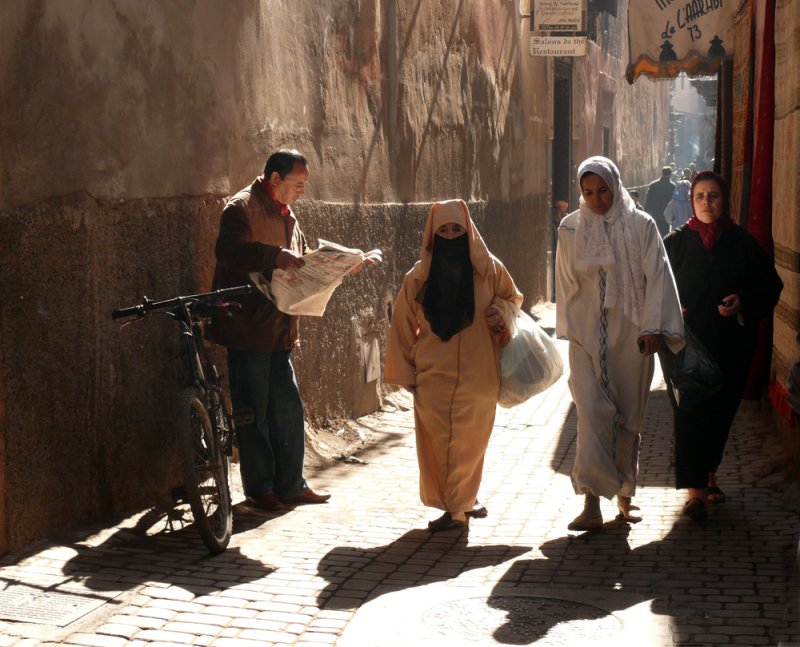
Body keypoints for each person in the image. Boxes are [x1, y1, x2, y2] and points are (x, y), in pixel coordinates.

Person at [555, 156, 684, 531]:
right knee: (591, 413)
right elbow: (565, 283)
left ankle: (626, 494)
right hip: (585, 336)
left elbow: (658, 276)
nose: (596, 199)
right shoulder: (570, 229)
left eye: (603, 191)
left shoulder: (641, 225)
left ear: (616, 186)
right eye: (588, 192)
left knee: (628, 416)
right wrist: (569, 330)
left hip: (632, 334)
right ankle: (591, 503)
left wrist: (654, 328)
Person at [384, 199, 522, 532]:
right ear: (432, 235)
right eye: (442, 230)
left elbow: (512, 299)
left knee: (471, 442)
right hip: (433, 374)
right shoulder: (418, 278)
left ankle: (461, 503)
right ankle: (458, 505)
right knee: (441, 442)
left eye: (456, 230)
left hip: (480, 373)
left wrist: (500, 313)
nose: (449, 236)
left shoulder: (489, 269)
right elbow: (402, 326)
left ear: (468, 232)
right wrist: (405, 373)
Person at [206, 149, 330, 511]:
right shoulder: (241, 207)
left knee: (287, 408)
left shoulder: (287, 213)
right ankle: (260, 488)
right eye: (297, 184)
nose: (301, 192)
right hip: (247, 326)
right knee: (253, 410)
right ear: (275, 179)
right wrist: (272, 255)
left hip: (279, 326)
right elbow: (228, 251)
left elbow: (299, 257)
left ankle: (291, 484)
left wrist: (336, 266)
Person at [663, 171, 783, 521]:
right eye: (700, 196)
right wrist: (673, 309)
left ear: (723, 199)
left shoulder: (742, 243)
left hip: (730, 346)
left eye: (713, 195)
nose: (706, 202)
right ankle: (695, 492)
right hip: (685, 348)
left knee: (719, 416)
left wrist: (742, 301)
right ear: (691, 200)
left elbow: (770, 285)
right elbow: (651, 287)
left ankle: (709, 475)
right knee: (689, 416)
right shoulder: (676, 243)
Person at [644, 166, 676, 237]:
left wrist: (646, 211)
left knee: (655, 233)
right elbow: (674, 200)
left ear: (661, 173)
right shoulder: (672, 186)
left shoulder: (653, 185)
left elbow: (648, 200)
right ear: (670, 174)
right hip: (667, 215)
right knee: (666, 234)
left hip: (655, 214)